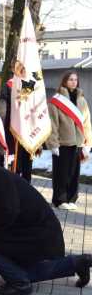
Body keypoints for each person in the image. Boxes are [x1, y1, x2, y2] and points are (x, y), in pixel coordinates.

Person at [0, 151, 92, 295]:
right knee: (21, 271)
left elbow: (9, 211)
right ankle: (78, 263)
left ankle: (19, 283)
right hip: (25, 232)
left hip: (39, 234)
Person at [46, 70, 92, 210]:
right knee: (61, 173)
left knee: (73, 173)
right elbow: (52, 124)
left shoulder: (82, 100)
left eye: (75, 79)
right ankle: (59, 200)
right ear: (65, 81)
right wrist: (53, 143)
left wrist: (87, 143)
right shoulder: (56, 100)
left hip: (77, 143)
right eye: (70, 79)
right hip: (62, 143)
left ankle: (72, 198)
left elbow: (86, 123)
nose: (73, 82)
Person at [1, 77, 33, 182]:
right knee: (14, 166)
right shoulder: (8, 86)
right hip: (12, 130)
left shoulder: (30, 85)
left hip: (27, 132)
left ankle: (26, 190)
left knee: (27, 166)